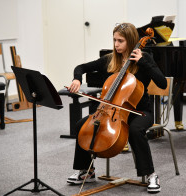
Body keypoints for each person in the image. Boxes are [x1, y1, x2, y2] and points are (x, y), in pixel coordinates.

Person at [67, 23, 167, 194]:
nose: (116, 45)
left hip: (141, 111)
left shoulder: (144, 58)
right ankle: (86, 171)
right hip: (110, 111)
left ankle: (151, 175)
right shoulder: (110, 59)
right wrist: (77, 79)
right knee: (81, 126)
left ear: (131, 41)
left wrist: (143, 63)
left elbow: (162, 83)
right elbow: (81, 68)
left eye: (120, 41)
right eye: (114, 40)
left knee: (135, 130)